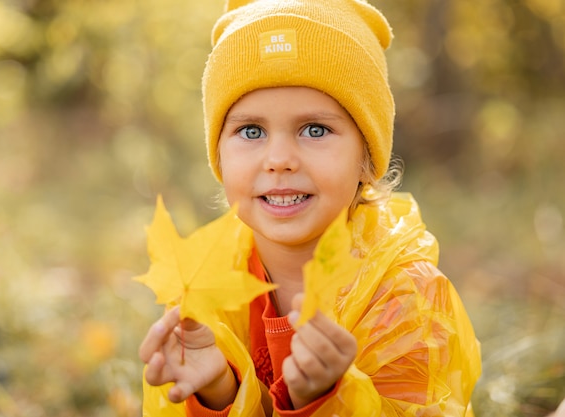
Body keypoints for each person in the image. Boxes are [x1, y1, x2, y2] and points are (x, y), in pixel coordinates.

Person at [138, 0, 482, 415]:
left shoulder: (406, 298)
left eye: (315, 129)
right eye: (250, 130)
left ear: (366, 157)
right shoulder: (205, 286)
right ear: (219, 157)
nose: (279, 158)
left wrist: (325, 399)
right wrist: (217, 390)